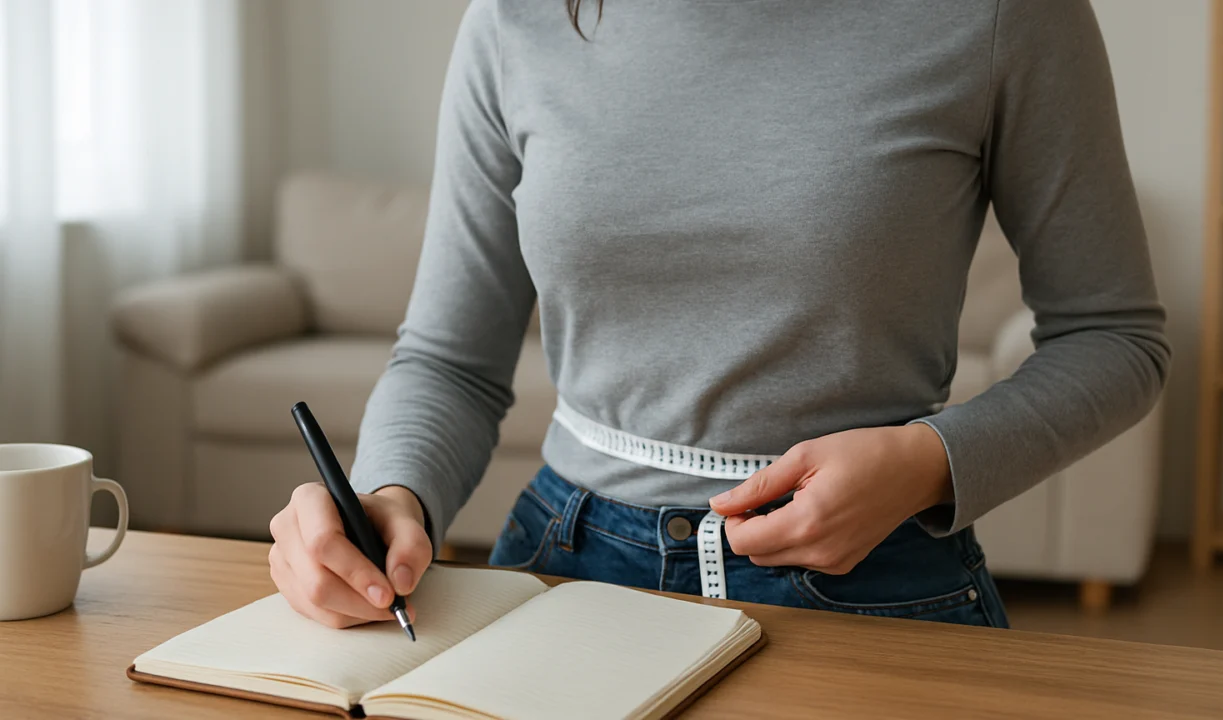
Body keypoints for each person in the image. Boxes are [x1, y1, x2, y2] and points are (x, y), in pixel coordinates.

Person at [268, 0, 1171, 631]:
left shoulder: (1003, 15)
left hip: (869, 577)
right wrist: (387, 498)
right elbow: (448, 361)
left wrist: (926, 462)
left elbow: (1115, 338)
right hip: (565, 564)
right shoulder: (517, 20)